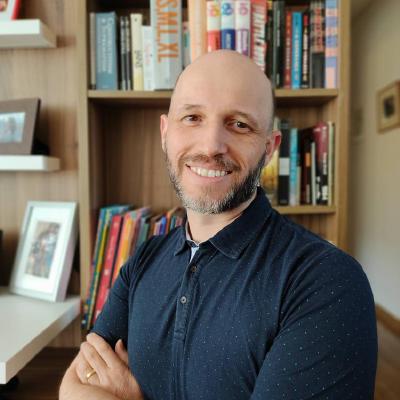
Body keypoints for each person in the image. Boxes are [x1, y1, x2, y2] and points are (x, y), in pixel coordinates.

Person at [60, 50, 377, 400]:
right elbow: (72, 388)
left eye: (239, 124)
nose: (211, 145)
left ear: (269, 149)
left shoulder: (326, 283)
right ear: (166, 132)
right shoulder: (143, 261)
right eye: (192, 117)